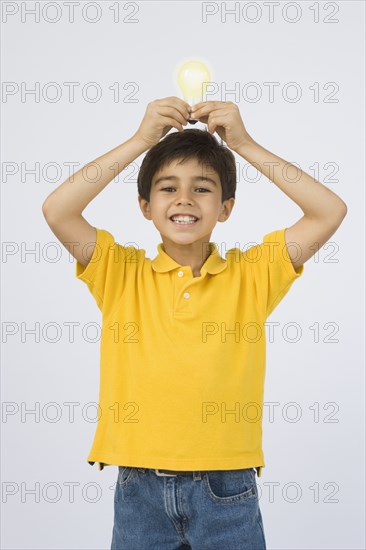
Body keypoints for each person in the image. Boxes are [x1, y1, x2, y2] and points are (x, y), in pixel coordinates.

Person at [42, 97, 347, 550]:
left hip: (228, 489)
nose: (184, 199)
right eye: (168, 188)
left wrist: (242, 144)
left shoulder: (252, 275)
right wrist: (141, 140)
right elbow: (57, 210)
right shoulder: (120, 273)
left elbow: (329, 211)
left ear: (226, 207)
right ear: (145, 206)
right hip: (138, 489)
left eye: (202, 188)